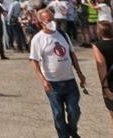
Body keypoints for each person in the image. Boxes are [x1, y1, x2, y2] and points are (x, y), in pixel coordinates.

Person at [30, 8, 89, 138]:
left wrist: (79, 73)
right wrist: (43, 80)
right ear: (41, 23)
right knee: (58, 113)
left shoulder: (62, 34)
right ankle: (63, 135)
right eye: (49, 20)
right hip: (52, 83)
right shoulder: (38, 39)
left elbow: (72, 54)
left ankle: (72, 130)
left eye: (53, 19)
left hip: (70, 81)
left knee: (75, 111)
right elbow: (33, 61)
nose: (52, 22)